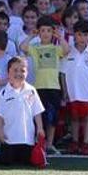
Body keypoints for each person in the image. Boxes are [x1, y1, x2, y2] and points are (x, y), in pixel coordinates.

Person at [20, 16, 69, 155]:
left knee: (52, 117)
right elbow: (22, 47)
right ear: (39, 32)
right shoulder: (35, 48)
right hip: (38, 88)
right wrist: (31, 36)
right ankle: (38, 143)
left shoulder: (56, 48)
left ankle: (49, 144)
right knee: (38, 117)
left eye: (49, 30)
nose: (46, 33)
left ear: (52, 32)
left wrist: (60, 37)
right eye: (42, 30)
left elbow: (66, 50)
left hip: (54, 88)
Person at [59, 20, 88, 155]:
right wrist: (65, 91)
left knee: (87, 117)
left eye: (85, 35)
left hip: (87, 92)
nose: (82, 38)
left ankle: (85, 143)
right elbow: (62, 74)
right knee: (74, 117)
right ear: (74, 35)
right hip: (72, 92)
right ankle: (74, 142)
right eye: (79, 34)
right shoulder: (68, 53)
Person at [0, 57, 46, 166]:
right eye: (15, 70)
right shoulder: (4, 92)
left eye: (22, 70)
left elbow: (37, 112)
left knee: (27, 163)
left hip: (27, 139)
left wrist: (40, 128)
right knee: (5, 162)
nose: (19, 73)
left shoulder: (31, 91)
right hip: (9, 139)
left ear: (27, 73)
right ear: (8, 72)